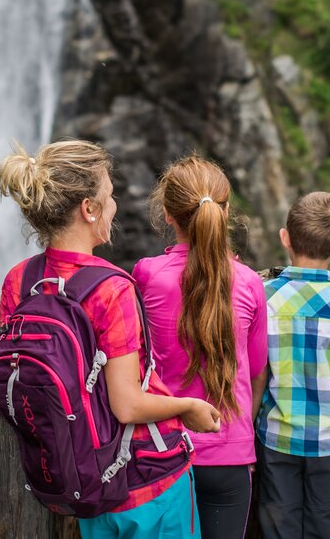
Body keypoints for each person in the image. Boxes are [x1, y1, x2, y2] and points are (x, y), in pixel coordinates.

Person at [0, 139, 221, 538]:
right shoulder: (111, 289)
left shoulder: (20, 281)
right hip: (149, 481)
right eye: (110, 195)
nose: (114, 205)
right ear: (89, 209)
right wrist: (188, 406)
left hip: (84, 478)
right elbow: (128, 405)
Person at [132, 155, 268, 539]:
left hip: (163, 451)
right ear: (225, 213)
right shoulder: (248, 283)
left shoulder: (146, 275)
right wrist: (243, 438)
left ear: (168, 214)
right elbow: (256, 367)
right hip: (229, 454)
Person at [255, 191, 330, 539]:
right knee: (328, 528)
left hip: (277, 439)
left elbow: (258, 375)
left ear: (285, 238)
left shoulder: (264, 299)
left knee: (279, 530)